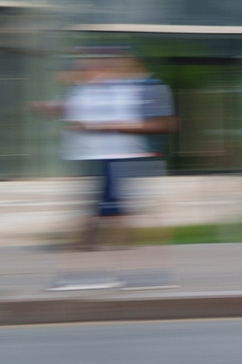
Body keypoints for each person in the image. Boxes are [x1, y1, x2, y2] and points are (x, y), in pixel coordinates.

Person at [39, 47, 176, 290]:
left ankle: (130, 275)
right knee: (111, 216)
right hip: (104, 159)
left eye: (111, 64)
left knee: (121, 216)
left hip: (128, 157)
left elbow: (163, 123)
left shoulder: (146, 87)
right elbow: (76, 109)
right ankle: (122, 274)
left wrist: (103, 126)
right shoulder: (107, 87)